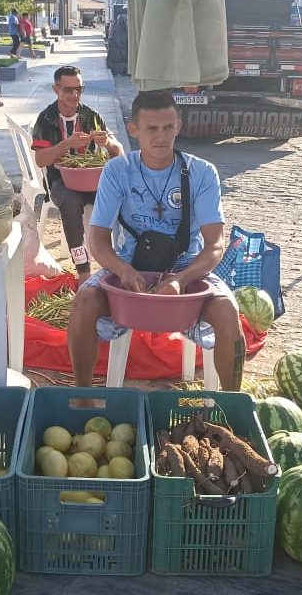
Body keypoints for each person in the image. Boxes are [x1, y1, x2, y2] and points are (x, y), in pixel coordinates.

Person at [67, 90, 245, 391]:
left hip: (188, 270)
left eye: (168, 127)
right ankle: (83, 396)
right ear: (134, 130)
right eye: (151, 129)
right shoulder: (117, 170)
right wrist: (123, 271)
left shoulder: (202, 173)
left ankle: (230, 406)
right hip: (130, 266)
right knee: (84, 301)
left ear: (178, 126)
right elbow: (96, 239)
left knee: (228, 311)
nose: (161, 137)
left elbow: (215, 244)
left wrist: (180, 279)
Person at [31, 66, 125, 282]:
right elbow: (41, 159)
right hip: (61, 182)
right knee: (71, 202)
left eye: (79, 90)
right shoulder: (47, 118)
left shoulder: (91, 116)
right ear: (56, 89)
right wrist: (65, 145)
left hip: (92, 181)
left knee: (114, 198)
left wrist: (108, 142)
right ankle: (83, 269)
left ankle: (113, 261)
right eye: (68, 90)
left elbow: (118, 152)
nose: (74, 95)